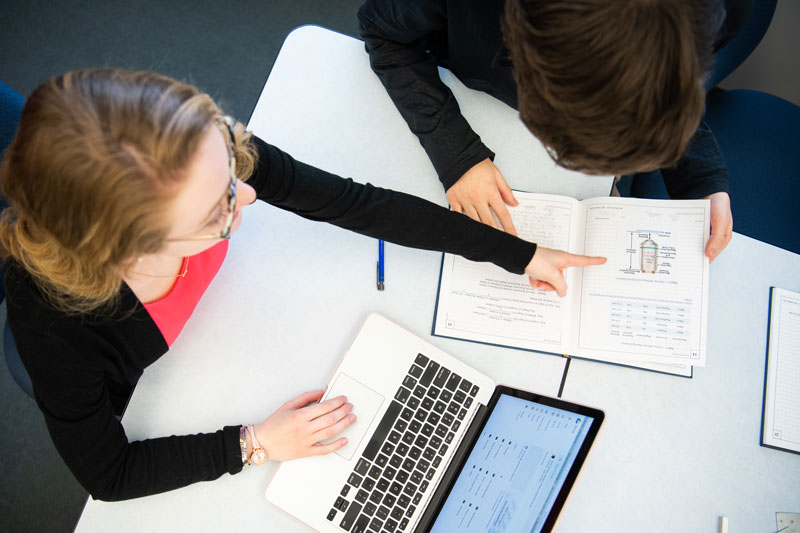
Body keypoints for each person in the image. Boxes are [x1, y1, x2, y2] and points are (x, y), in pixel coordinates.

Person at [0, 68, 605, 501]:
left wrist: (517, 253)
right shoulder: (57, 326)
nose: (251, 194)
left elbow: (351, 203)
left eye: (230, 166)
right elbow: (109, 475)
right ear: (129, 249)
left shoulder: (197, 153)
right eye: (218, 209)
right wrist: (253, 443)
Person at [358, 0, 745, 262]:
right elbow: (382, 30)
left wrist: (700, 176)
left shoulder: (719, 11)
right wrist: (456, 153)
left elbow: (664, 77)